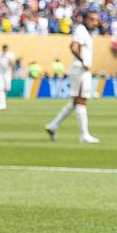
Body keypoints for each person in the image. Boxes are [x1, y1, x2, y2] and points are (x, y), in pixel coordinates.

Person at [45, 11, 101, 143]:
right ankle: (84, 135)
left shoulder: (85, 32)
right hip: (80, 69)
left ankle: (53, 125)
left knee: (76, 101)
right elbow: (74, 47)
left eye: (96, 20)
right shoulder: (81, 30)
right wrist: (84, 62)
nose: (95, 23)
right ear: (86, 19)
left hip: (80, 69)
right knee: (81, 100)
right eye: (92, 19)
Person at [0, 44, 16, 110]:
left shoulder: (10, 55)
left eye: (6, 49)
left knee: (6, 88)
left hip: (7, 74)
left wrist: (10, 62)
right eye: (4, 48)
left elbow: (12, 63)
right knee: (0, 89)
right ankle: (2, 104)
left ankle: (3, 103)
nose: (5, 50)